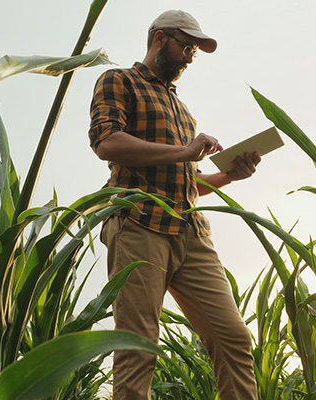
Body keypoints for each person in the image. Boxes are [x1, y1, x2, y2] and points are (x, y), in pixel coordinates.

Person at [88, 9, 260, 400]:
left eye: (195, 52)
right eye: (187, 47)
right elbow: (107, 142)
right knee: (137, 347)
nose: (189, 57)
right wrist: (184, 150)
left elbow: (187, 182)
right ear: (160, 39)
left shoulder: (183, 112)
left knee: (233, 338)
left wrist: (230, 175)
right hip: (139, 226)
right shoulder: (119, 80)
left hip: (192, 234)